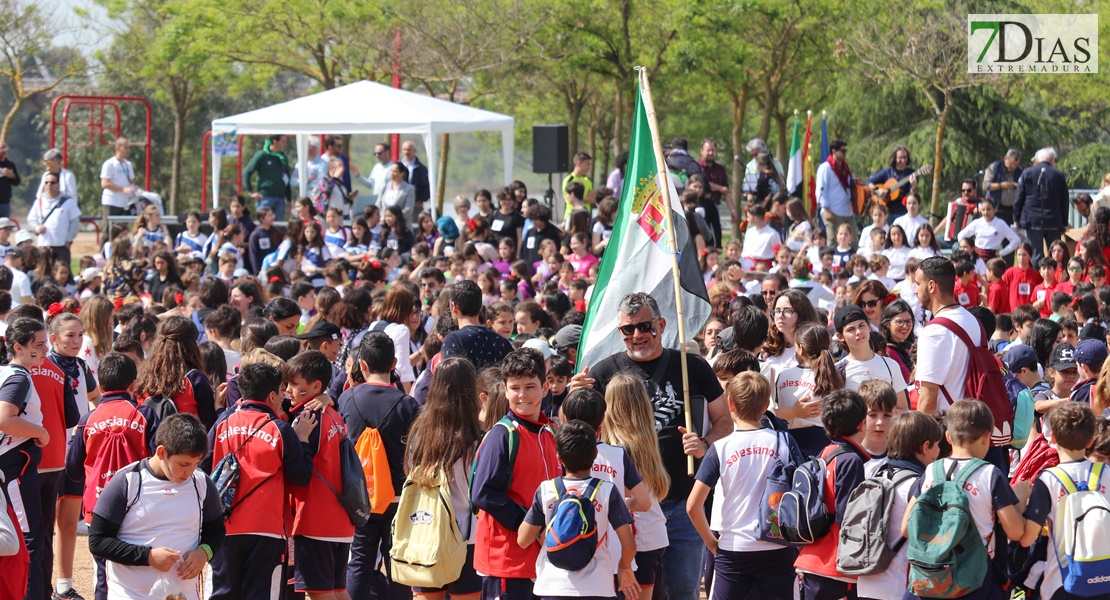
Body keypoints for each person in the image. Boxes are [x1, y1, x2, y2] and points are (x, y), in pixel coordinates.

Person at [569, 292, 729, 600]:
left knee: (683, 591)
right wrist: (573, 399)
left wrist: (705, 443)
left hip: (684, 502)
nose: (637, 335)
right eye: (629, 330)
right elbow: (577, 431)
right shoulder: (603, 372)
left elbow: (725, 421)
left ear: (662, 324)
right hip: (630, 509)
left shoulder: (692, 366)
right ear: (620, 333)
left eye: (645, 326)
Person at [688, 371, 802, 600]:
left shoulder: (721, 447)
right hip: (779, 546)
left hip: (733, 550)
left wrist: (712, 543)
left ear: (730, 403)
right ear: (766, 405)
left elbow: (692, 506)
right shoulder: (784, 441)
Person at [207, 362, 316, 600]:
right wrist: (303, 441)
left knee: (223, 595)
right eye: (282, 389)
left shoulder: (223, 423)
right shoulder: (280, 429)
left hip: (224, 528)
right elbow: (301, 477)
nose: (285, 394)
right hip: (267, 530)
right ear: (272, 395)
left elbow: (203, 467)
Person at [899, 400, 1027, 600]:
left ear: (948, 437)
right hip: (974, 580)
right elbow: (1016, 532)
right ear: (987, 437)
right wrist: (1019, 498)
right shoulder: (990, 474)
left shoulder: (931, 471)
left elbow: (906, 529)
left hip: (931, 577)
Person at [87, 413, 224, 600]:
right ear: (161, 452)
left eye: (195, 464)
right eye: (183, 464)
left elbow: (216, 531)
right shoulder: (128, 481)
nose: (190, 471)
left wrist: (204, 552)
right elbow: (98, 541)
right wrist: (148, 557)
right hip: (130, 595)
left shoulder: (201, 483)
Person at [65, 352, 158, 600]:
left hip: (97, 506)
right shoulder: (146, 415)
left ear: (101, 384)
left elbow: (73, 471)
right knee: (138, 572)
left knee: (103, 576)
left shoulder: (87, 420)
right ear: (132, 384)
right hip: (139, 504)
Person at [470, 348, 560, 600]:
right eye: (515, 387)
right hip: (507, 563)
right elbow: (483, 493)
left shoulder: (549, 432)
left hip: (544, 562)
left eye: (530, 386)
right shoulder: (502, 435)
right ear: (505, 390)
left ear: (545, 388)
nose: (522, 395)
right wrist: (531, 527)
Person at [517, 419, 639, 600]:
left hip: (553, 586)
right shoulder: (607, 491)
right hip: (598, 586)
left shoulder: (546, 489)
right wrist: (624, 566)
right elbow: (629, 544)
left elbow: (523, 540)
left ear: (559, 458)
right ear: (595, 453)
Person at [338, 332, 420, 600]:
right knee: (397, 559)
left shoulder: (347, 399)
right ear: (394, 363)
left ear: (362, 365)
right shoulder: (408, 404)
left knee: (359, 560)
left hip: (360, 495)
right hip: (398, 497)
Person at [402, 357, 484, 600]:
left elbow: (411, 474)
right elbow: (478, 490)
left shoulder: (420, 431)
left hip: (425, 532)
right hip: (467, 537)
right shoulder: (477, 435)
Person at [284, 351, 355, 600]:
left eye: (294, 384)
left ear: (315, 386)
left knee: (318, 594)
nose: (288, 389)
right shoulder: (333, 414)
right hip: (340, 519)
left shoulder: (308, 418)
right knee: (337, 591)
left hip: (315, 519)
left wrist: (299, 440)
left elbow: (298, 471)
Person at [1018, 403, 1104, 600]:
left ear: (1054, 437)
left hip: (1062, 581)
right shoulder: (1107, 474)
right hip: (1105, 577)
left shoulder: (1048, 479)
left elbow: (1026, 538)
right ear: (1091, 440)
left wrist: (1020, 499)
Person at [855, 411, 943, 600]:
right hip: (899, 587)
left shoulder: (876, 476)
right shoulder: (920, 485)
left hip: (864, 582)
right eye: (937, 445)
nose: (939, 452)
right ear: (926, 446)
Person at [794, 389, 871, 600]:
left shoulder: (825, 453)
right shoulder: (850, 460)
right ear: (861, 423)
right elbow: (848, 516)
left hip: (811, 558)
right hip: (836, 566)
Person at [600, 374, 669, 600]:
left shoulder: (621, 448)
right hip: (653, 535)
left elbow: (628, 499)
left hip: (637, 541)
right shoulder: (647, 438)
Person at [0, 318, 50, 600]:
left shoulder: (9, 373)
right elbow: (5, 419)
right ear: (18, 347)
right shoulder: (18, 377)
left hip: (11, 468)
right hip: (13, 468)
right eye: (38, 345)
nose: (45, 350)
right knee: (27, 541)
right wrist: (40, 432)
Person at [915, 257, 983, 416]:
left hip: (948, 427)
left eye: (918, 284)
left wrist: (917, 439)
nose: (915, 290)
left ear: (931, 286)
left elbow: (927, 399)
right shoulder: (973, 320)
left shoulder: (933, 331)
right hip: (975, 422)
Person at [134, 317, 216, 430]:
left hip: (149, 444)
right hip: (187, 444)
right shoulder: (195, 379)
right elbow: (209, 424)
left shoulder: (143, 377)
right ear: (191, 344)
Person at [440, 280, 514, 370]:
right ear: (480, 307)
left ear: (454, 307)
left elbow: (451, 378)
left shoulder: (453, 340)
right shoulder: (502, 342)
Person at [1015, 147, 1069, 266]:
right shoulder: (1058, 174)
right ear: (1052, 159)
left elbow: (1019, 197)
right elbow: (1064, 200)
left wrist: (1016, 218)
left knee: (1036, 253)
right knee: (1055, 252)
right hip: (1053, 220)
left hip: (1032, 220)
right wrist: (1064, 222)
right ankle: (1054, 277)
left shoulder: (1027, 173)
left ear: (1038, 159)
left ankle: (1037, 280)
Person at [27, 172, 81, 267]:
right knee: (44, 272)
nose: (49, 185)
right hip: (44, 245)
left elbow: (75, 222)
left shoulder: (68, 202)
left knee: (63, 272)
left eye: (52, 183)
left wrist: (69, 240)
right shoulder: (39, 202)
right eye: (46, 182)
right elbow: (31, 219)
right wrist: (36, 228)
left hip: (62, 245)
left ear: (58, 185)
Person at [242, 134, 292, 221]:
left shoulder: (283, 158)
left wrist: (289, 200)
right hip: (265, 198)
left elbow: (287, 180)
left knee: (278, 229)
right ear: (275, 141)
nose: (285, 144)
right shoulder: (262, 155)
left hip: (280, 200)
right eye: (283, 141)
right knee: (263, 224)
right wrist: (250, 192)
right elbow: (247, 172)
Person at [956, 198, 1022, 262]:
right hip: (977, 258)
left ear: (994, 210)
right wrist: (968, 249)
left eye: (988, 209)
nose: (986, 212)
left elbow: (1016, 240)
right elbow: (961, 235)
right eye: (983, 210)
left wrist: (1002, 252)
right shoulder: (977, 222)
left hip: (992, 259)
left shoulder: (1000, 224)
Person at [817, 140, 857, 244]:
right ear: (834, 151)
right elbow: (821, 190)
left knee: (853, 242)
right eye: (842, 151)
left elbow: (845, 184)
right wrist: (826, 210)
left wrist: (855, 182)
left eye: (845, 151)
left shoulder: (844, 167)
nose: (845, 153)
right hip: (833, 211)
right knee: (834, 242)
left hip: (847, 210)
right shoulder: (825, 167)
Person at [867, 145, 918, 218]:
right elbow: (869, 182)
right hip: (886, 211)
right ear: (894, 158)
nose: (903, 160)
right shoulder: (887, 172)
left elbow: (912, 194)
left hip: (903, 211)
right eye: (900, 157)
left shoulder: (912, 173)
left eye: (905, 157)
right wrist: (877, 190)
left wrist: (914, 185)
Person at [99, 138, 136, 235]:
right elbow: (104, 184)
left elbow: (131, 182)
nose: (128, 150)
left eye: (129, 148)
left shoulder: (128, 164)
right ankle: (103, 250)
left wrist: (134, 189)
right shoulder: (109, 164)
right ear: (118, 148)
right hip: (111, 203)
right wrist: (122, 189)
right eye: (126, 147)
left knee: (122, 231)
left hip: (124, 203)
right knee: (108, 231)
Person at [696, 139, 729, 244]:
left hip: (716, 205)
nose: (711, 153)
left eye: (713, 150)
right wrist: (719, 188)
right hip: (700, 206)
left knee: (715, 234)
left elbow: (726, 191)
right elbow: (701, 183)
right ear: (701, 150)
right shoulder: (696, 166)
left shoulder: (720, 168)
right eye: (708, 150)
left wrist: (733, 211)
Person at [982, 149, 1023, 224]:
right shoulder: (994, 167)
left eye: (1016, 165)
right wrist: (1000, 186)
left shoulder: (1020, 171)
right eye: (1011, 163)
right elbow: (985, 186)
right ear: (1005, 159)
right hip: (995, 208)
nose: (1013, 166)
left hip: (1011, 209)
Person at [400, 140, 431, 218]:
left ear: (414, 151)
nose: (406, 152)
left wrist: (420, 200)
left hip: (415, 207)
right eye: (404, 150)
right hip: (399, 205)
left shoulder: (421, 168)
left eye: (409, 150)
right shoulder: (396, 166)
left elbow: (426, 187)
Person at [0, 140, 20, 219]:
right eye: (2, 148)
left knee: (4, 228)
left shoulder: (10, 165)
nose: (4, 150)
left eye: (5, 148)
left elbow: (17, 182)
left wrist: (12, 176)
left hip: (5, 203)